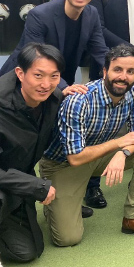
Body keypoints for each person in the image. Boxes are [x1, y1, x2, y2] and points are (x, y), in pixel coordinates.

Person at [39, 44, 134, 246]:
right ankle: (61, 202)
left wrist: (122, 153)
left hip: (98, 156)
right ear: (105, 71)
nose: (123, 76)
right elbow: (75, 157)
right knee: (67, 239)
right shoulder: (79, 100)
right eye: (117, 69)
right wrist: (118, 143)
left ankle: (132, 218)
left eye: (130, 71)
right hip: (63, 164)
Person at [0, 44, 64, 262]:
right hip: (6, 181)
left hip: (16, 182)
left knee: (28, 251)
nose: (46, 84)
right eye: (38, 75)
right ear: (20, 73)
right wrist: (36, 186)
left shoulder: (53, 99)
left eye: (54, 76)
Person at [0, 0, 108, 88]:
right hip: (22, 84)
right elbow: (35, 58)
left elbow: (100, 50)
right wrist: (64, 87)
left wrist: (115, 71)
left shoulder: (92, 13)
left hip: (60, 80)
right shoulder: (39, 15)